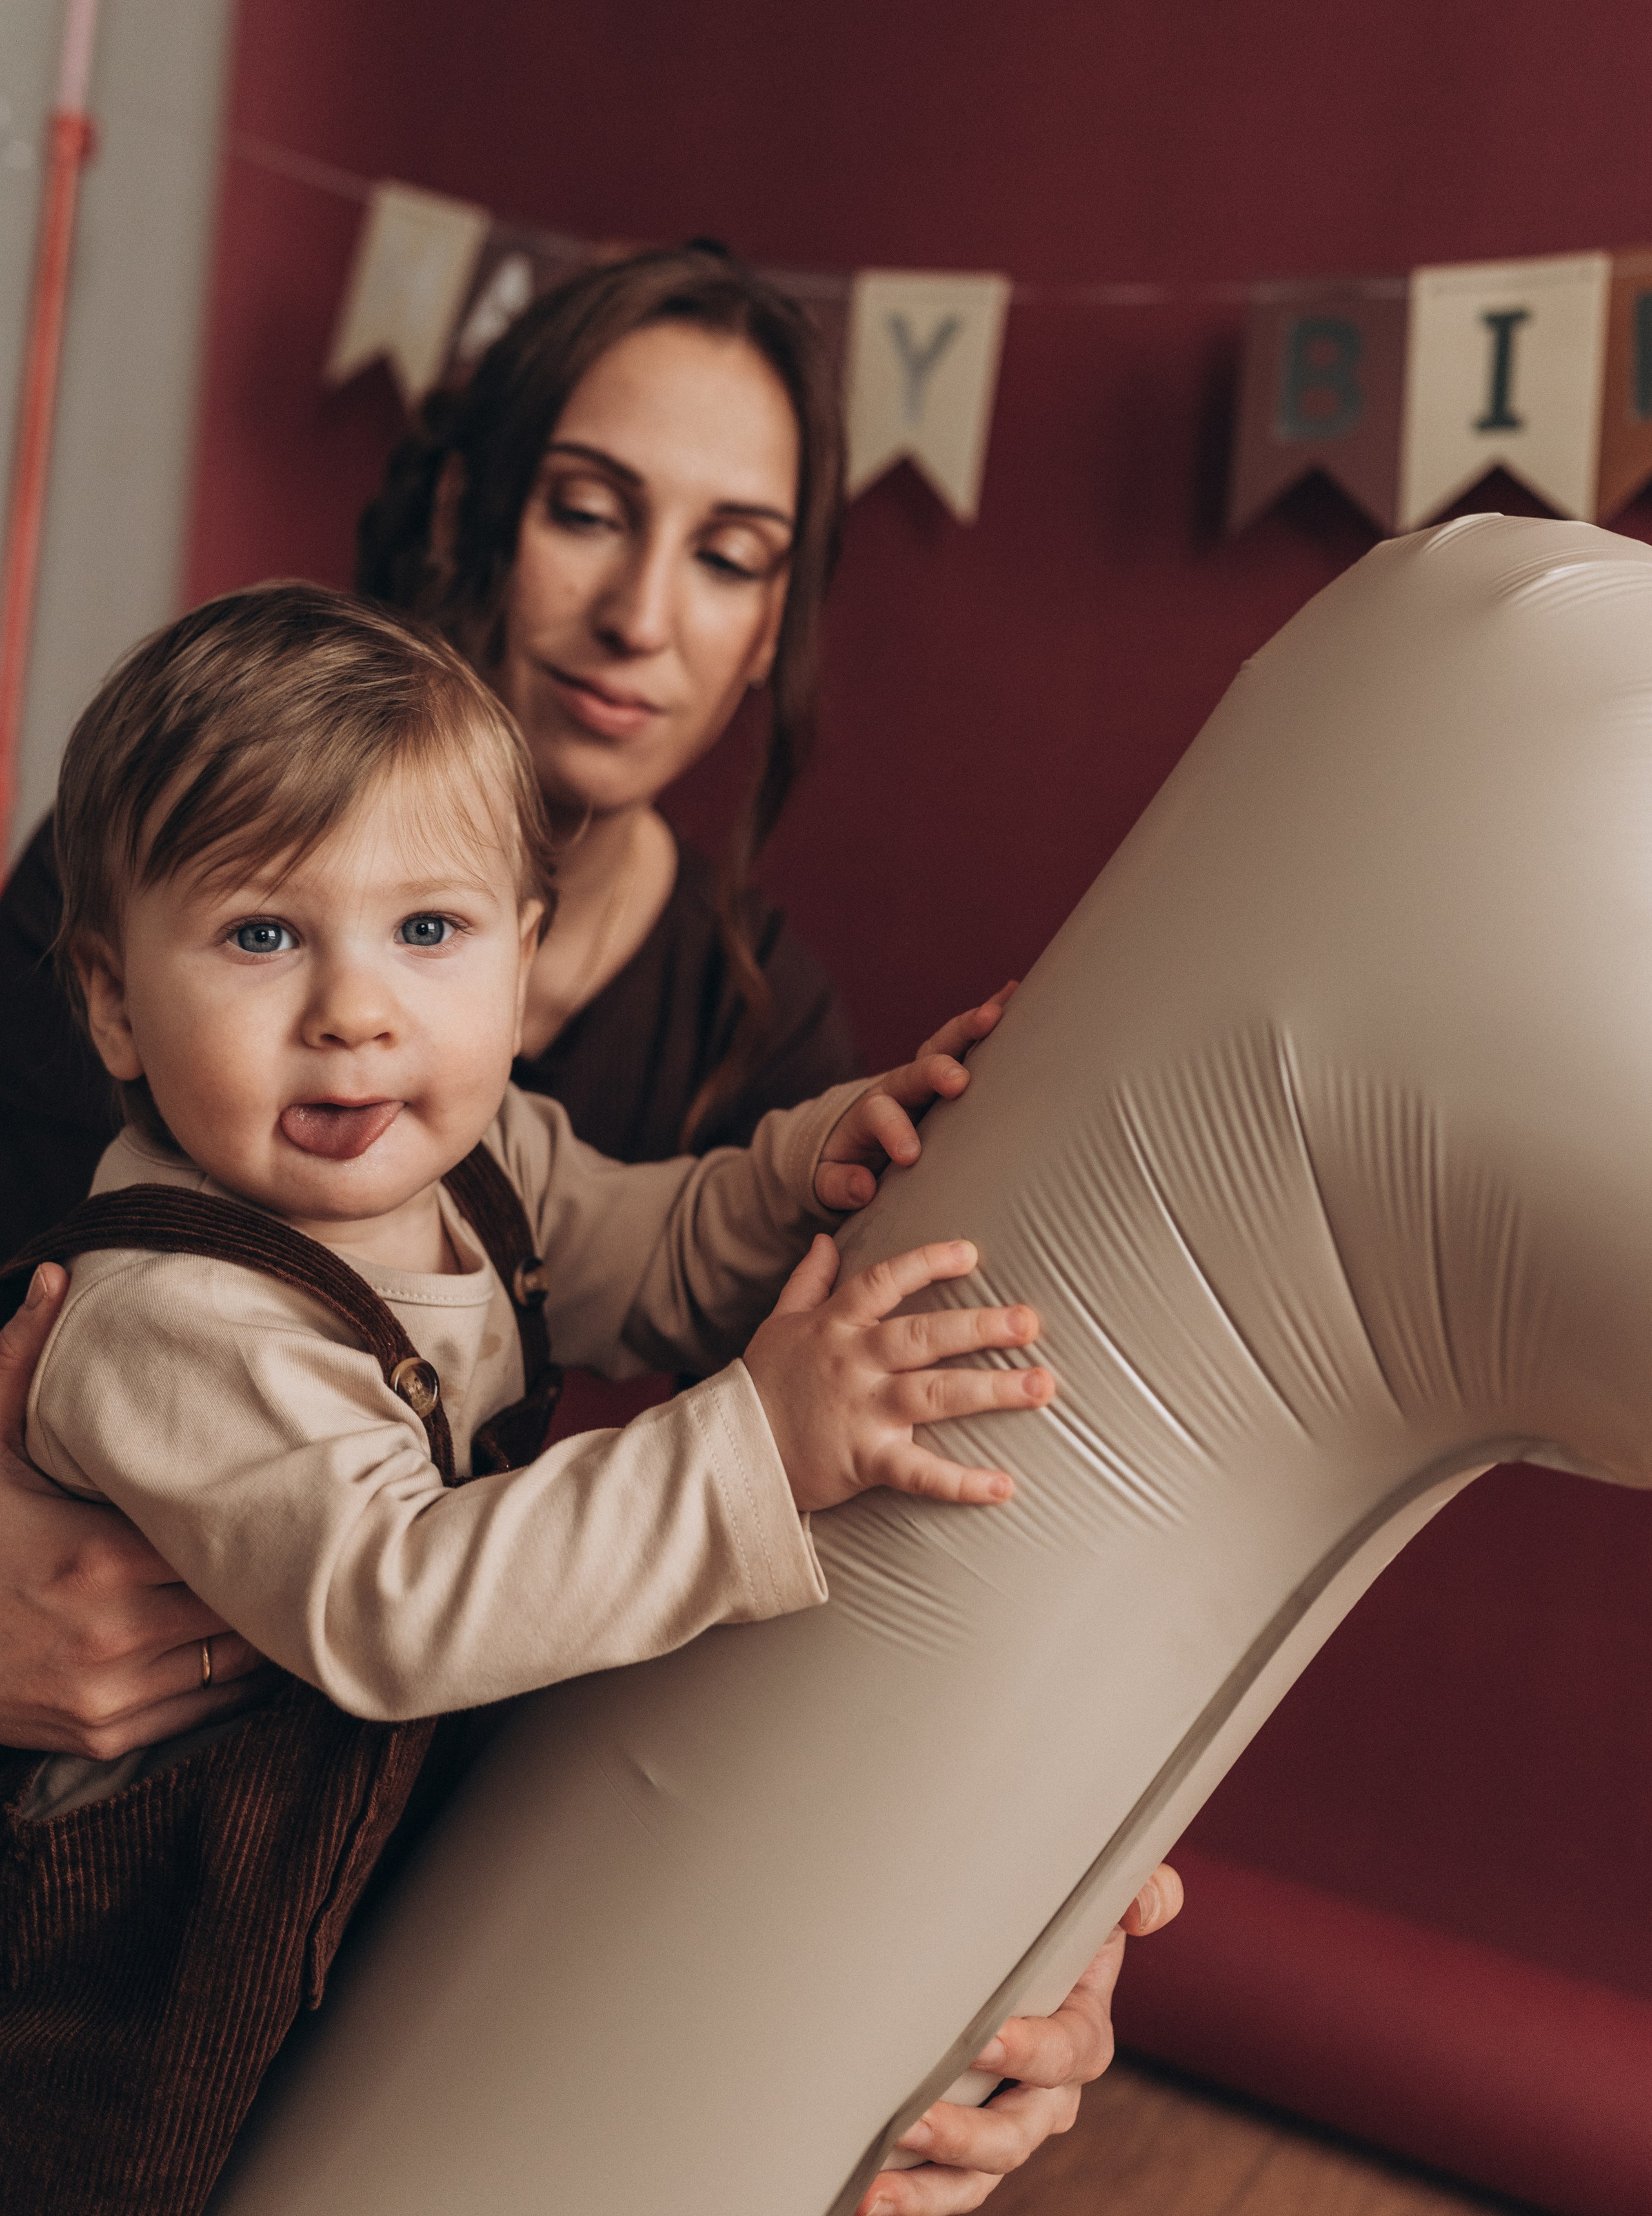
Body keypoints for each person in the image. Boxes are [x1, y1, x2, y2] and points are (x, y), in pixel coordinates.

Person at [0, 245, 1181, 2210]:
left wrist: (820, 1153)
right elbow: (393, 1595)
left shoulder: (491, 1113)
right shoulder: (182, 1262)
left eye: (730, 551)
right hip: (147, 1950)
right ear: (113, 999)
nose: (357, 1009)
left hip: (411, 1841)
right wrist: (756, 1436)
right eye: (589, 508)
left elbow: (644, 1237)